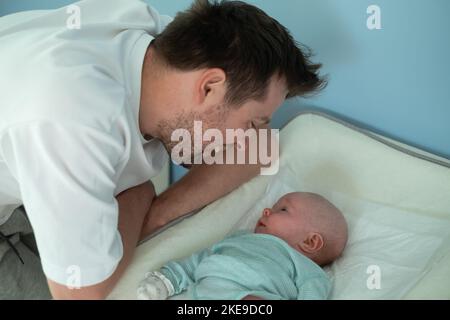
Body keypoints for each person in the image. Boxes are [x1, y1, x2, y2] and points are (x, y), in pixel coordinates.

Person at [0, 0, 325, 299]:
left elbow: (260, 150)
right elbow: (79, 292)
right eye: (251, 123)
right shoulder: (71, 119)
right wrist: (140, 194)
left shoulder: (155, 39)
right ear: (210, 86)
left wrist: (159, 211)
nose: (245, 142)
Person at [137, 192, 348, 300]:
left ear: (310, 242)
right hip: (208, 292)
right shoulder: (241, 238)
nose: (266, 211)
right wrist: (169, 278)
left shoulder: (306, 268)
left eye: (282, 210)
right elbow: (202, 258)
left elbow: (312, 293)